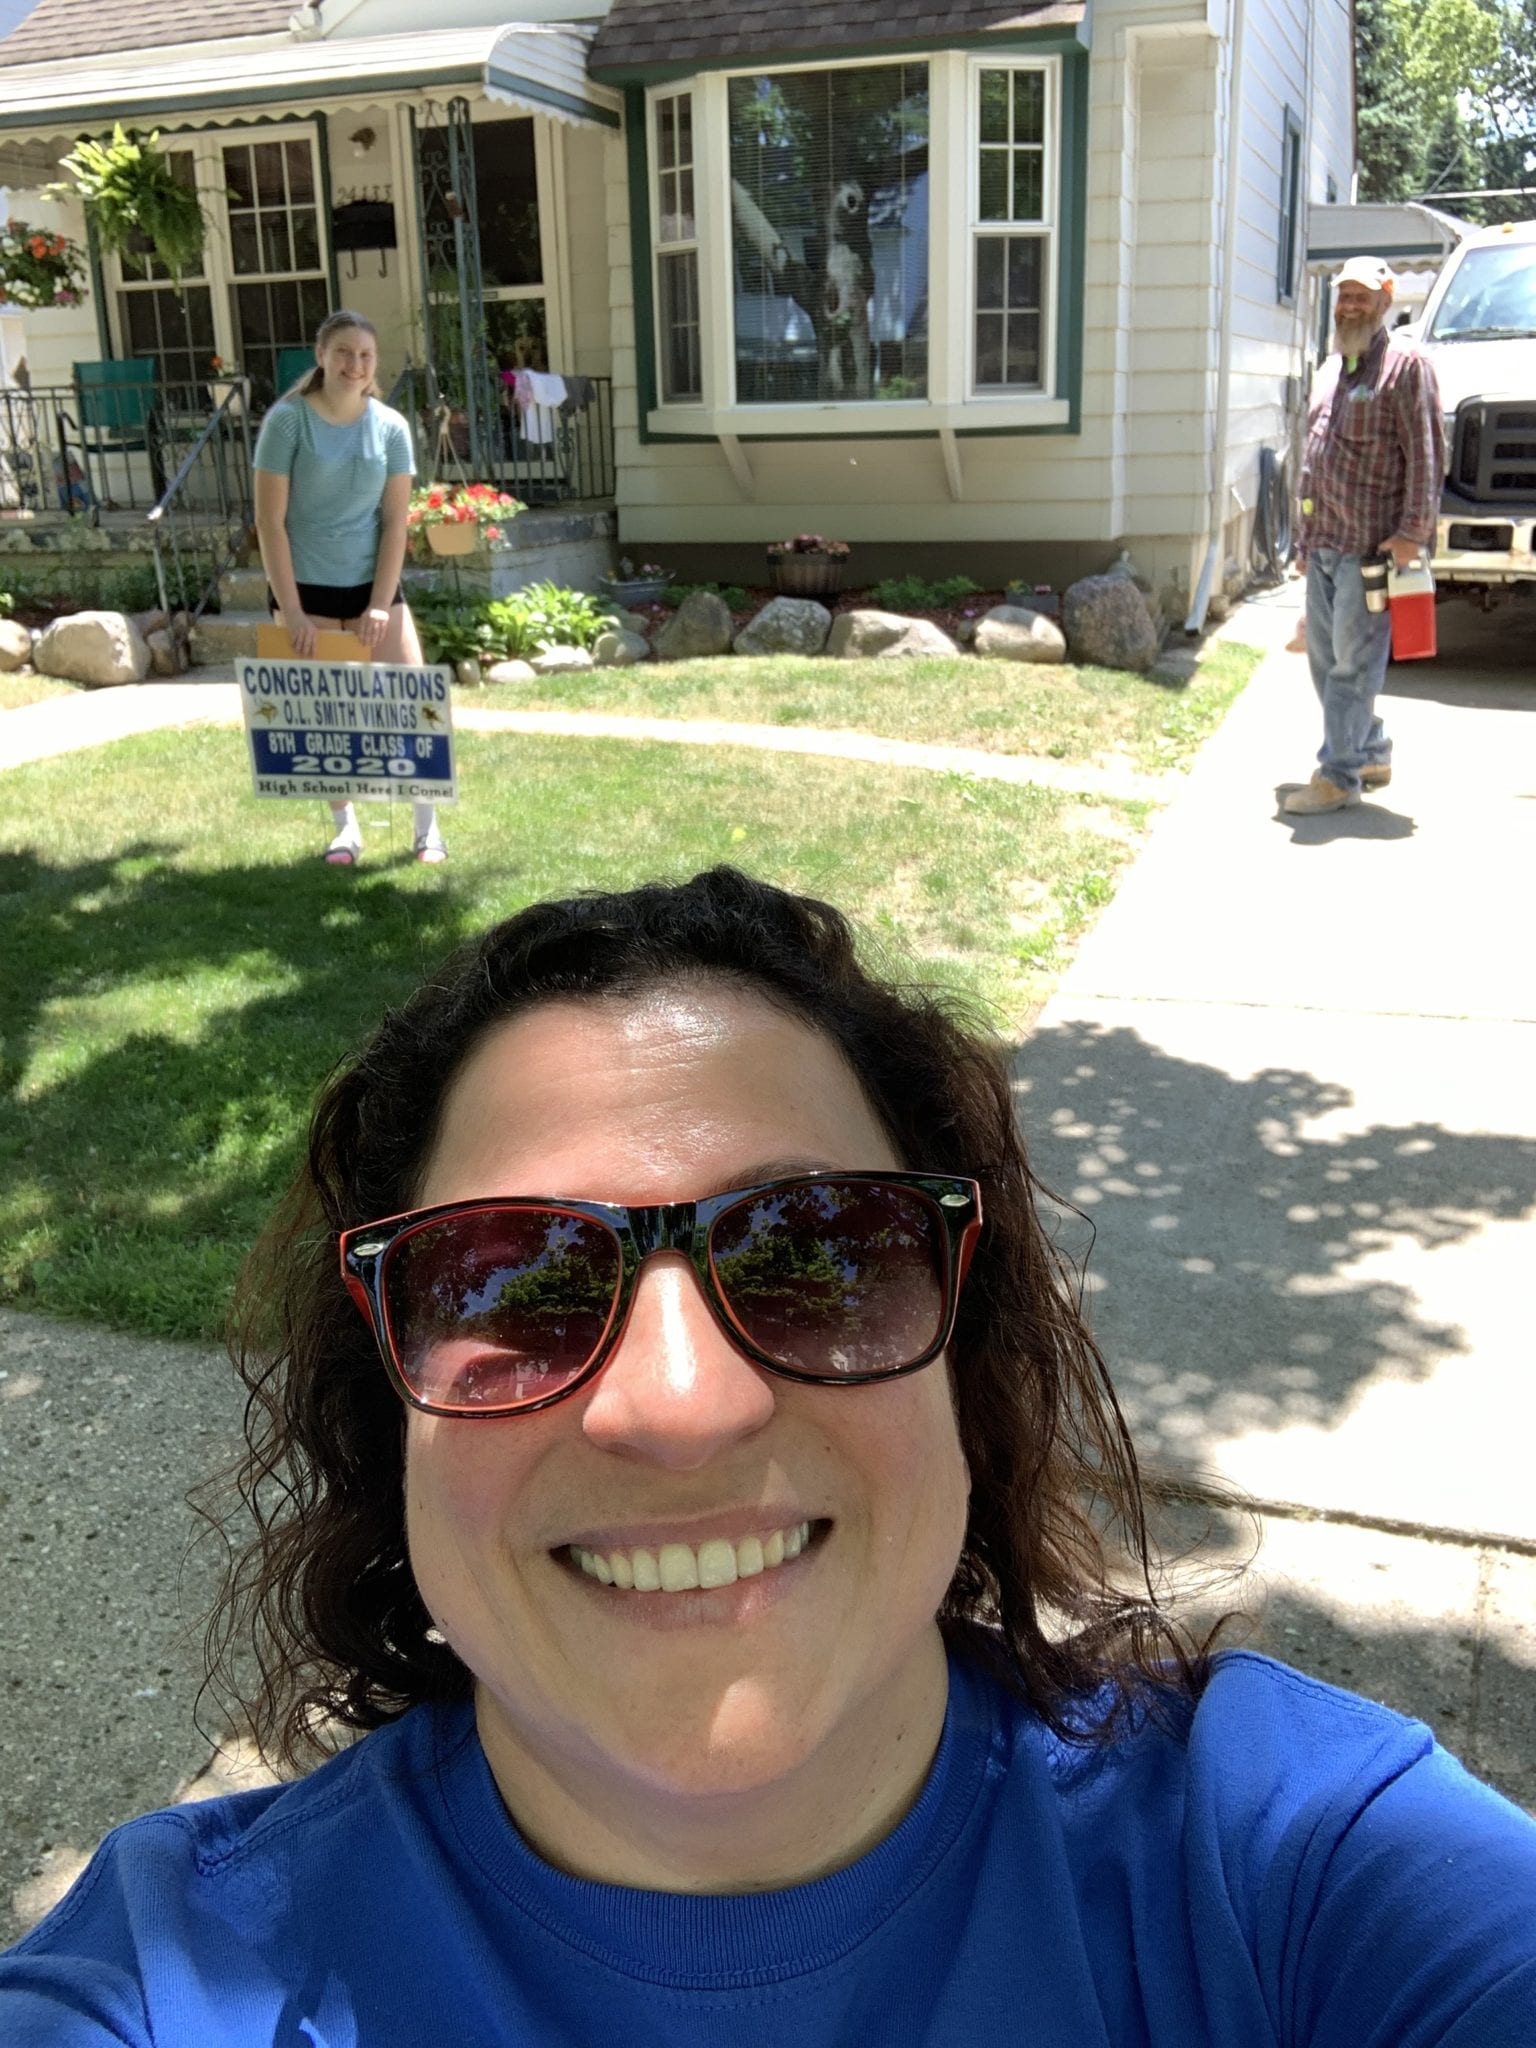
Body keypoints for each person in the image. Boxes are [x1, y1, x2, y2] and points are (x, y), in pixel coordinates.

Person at [3, 868, 1534, 2046]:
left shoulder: (1299, 1871)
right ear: (386, 1406)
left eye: (818, 1256)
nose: (680, 1404)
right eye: (514, 1287)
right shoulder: (168, 1984)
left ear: (964, 1354)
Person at [253, 309, 447, 865]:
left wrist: (380, 605)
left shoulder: (391, 427)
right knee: (325, 719)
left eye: (365, 355)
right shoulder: (287, 423)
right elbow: (270, 523)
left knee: (414, 703)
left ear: (374, 362)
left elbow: (395, 523)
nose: (354, 364)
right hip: (304, 590)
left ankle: (427, 829)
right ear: (321, 356)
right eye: (343, 352)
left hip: (372, 589)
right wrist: (291, 611)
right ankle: (346, 831)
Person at [1287, 256, 1445, 815]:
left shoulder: (1406, 365)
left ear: (1385, 298)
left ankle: (1339, 776)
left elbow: (1426, 455)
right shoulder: (1334, 366)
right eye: (1344, 296)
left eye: (1361, 296)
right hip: (1325, 544)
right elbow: (1316, 460)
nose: (1350, 306)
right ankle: (1370, 749)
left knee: (1350, 668)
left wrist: (1412, 533)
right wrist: (1304, 543)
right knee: (1325, 663)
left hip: (1371, 552)